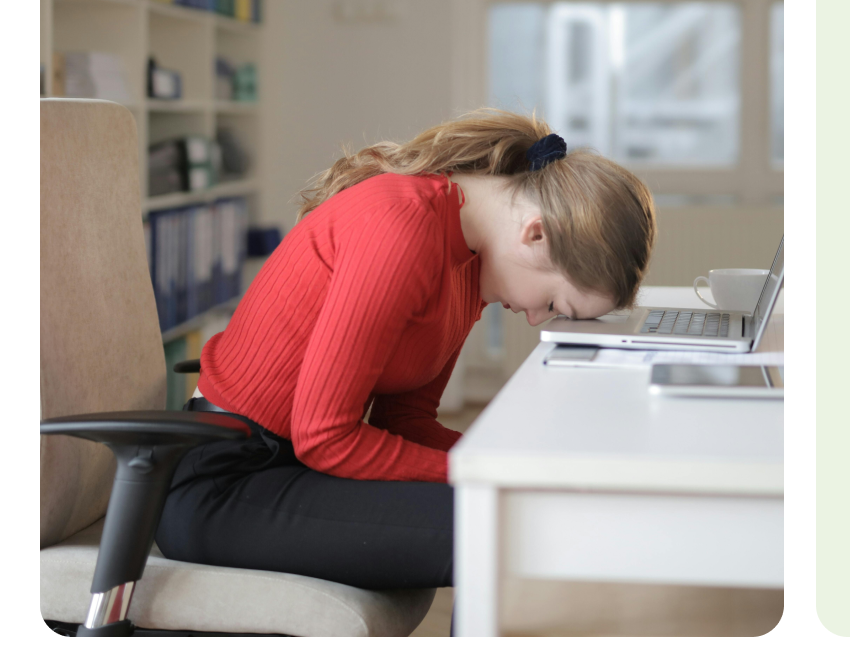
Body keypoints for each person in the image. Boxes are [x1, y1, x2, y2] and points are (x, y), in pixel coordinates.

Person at [155, 109, 655, 592]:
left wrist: (515, 463)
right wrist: (488, 470)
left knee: (518, 511)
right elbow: (325, 437)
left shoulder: (469, 266)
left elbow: (407, 421)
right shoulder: (403, 224)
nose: (537, 317)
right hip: (226, 485)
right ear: (536, 234)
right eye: (552, 302)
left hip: (292, 470)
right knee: (506, 529)